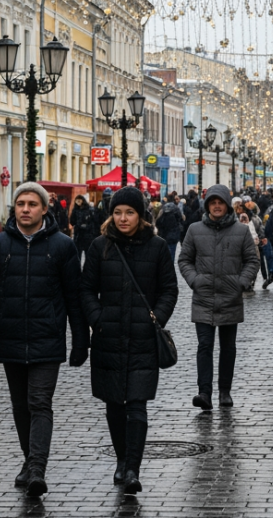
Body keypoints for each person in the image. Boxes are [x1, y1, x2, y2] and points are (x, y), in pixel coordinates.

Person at [0, 182, 85, 498]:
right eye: (21, 204)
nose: (26, 209)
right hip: (11, 337)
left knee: (39, 403)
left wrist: (80, 340)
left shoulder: (62, 246)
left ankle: (37, 470)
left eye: (32, 204)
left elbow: (74, 297)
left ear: (44, 209)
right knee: (21, 406)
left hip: (48, 338)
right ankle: (29, 459)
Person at [79, 186, 178, 495]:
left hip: (142, 339)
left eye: (130, 213)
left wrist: (156, 318)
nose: (123, 218)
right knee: (114, 404)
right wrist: (98, 319)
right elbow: (86, 288)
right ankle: (122, 459)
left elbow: (169, 289)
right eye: (118, 212)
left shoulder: (157, 247)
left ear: (141, 216)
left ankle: (133, 468)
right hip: (108, 337)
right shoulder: (100, 246)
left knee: (137, 404)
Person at [179, 184, 261, 410]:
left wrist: (241, 282)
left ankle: (225, 391)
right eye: (213, 203)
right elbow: (184, 259)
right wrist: (194, 280)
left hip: (230, 297)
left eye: (220, 203)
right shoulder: (195, 229)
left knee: (228, 347)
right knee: (204, 346)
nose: (216, 206)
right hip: (203, 297)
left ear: (227, 206)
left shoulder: (241, 231)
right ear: (207, 206)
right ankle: (204, 393)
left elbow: (252, 260)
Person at [70, 195, 100, 266]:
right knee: (77, 255)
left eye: (79, 200)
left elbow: (94, 222)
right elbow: (72, 221)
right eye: (77, 201)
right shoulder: (75, 210)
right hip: (78, 236)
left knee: (88, 255)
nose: (78, 202)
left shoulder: (89, 210)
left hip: (87, 235)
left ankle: (87, 269)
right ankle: (77, 269)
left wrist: (87, 227)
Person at [155, 195, 185, 262]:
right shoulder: (176, 209)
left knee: (163, 255)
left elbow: (158, 222)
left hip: (163, 235)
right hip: (173, 236)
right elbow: (181, 221)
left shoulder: (163, 209)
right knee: (172, 255)